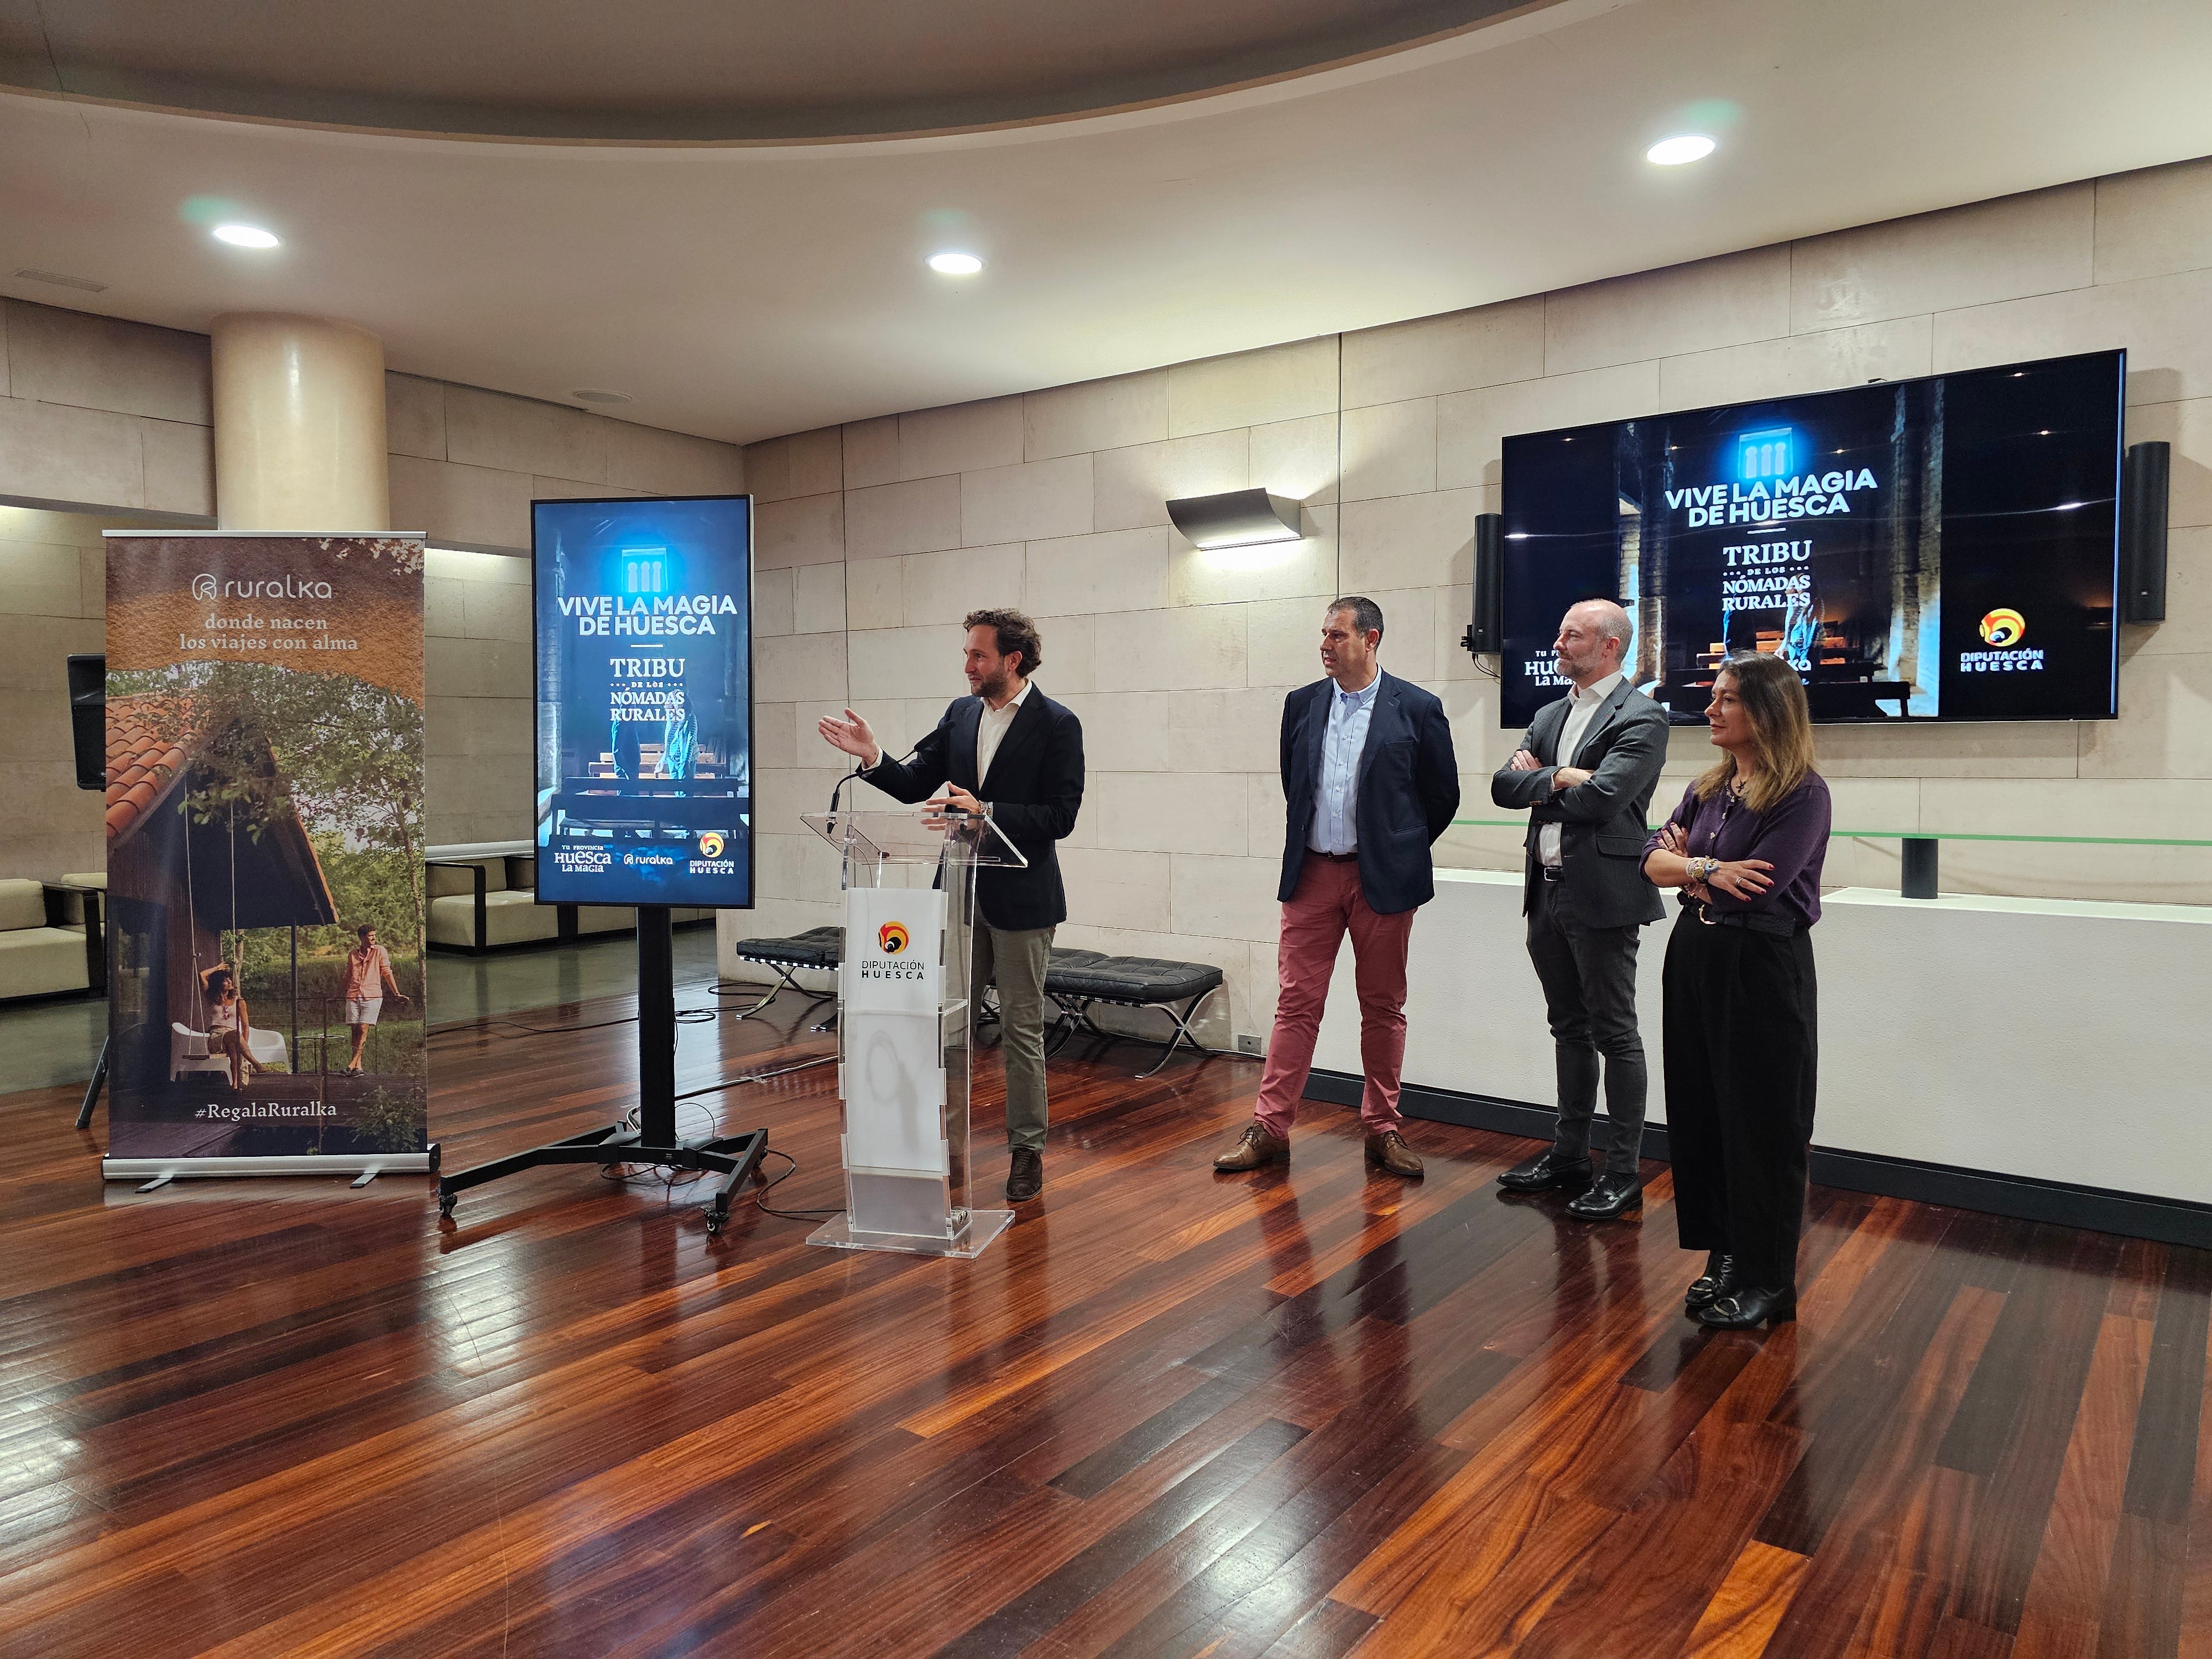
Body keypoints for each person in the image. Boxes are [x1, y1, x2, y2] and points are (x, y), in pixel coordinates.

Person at [818, 608, 1084, 1204]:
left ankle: (1026, 1152)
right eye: (967, 653)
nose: (967, 665)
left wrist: (988, 811)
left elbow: (1061, 817)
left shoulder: (1057, 724)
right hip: (960, 893)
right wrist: (872, 756)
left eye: (978, 655)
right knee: (950, 1026)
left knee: (1020, 1030)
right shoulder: (961, 714)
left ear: (1012, 660)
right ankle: (944, 1141)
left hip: (1023, 897)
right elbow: (916, 783)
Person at [1213, 597, 1459, 1178]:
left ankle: (1382, 1128)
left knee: (1382, 1006)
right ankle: (1270, 1128)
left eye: (1337, 635)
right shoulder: (1301, 705)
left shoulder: (1418, 708)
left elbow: (1441, 797)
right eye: (1322, 635)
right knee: (1296, 1003)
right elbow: (1293, 785)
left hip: (1383, 880)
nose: (1325, 645)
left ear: (1371, 638)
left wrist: (1396, 847)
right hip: (1312, 874)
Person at [1641, 651, 1831, 1330]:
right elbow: (1650, 859)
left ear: (1767, 712)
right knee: (1701, 1113)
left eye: (1727, 700)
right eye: (1714, 697)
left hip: (1760, 965)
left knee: (1764, 1124)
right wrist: (1704, 869)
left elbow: (1764, 884)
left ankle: (1767, 1279)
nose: (1711, 710)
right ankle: (1723, 1257)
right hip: (1695, 953)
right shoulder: (1709, 786)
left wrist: (1691, 868)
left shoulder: (1802, 793)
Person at [1490, 600, 1670, 1220]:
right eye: (1560, 632)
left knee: (1615, 1034)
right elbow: (1499, 787)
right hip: (1545, 889)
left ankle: (1621, 1172)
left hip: (1603, 895)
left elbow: (1604, 801)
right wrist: (1564, 775)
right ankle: (1569, 1155)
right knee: (1567, 1027)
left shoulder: (1643, 717)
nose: (1558, 643)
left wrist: (1545, 779)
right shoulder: (1548, 713)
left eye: (1572, 635)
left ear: (1611, 646)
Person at [342, 925, 408, 1076]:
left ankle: (351, 1064)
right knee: (355, 1030)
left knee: (364, 1028)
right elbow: (347, 976)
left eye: (374, 935)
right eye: (370, 936)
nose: (373, 938)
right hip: (353, 995)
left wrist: (396, 993)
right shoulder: (353, 954)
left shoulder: (380, 951)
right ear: (362, 937)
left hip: (372, 995)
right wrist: (336, 994)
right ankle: (358, 1067)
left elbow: (387, 972)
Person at [201, 965, 260, 1089]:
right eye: (225, 980)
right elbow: (202, 975)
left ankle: (235, 1084)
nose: (230, 982)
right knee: (233, 1035)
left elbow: (245, 1026)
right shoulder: (211, 998)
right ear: (218, 984)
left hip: (234, 1037)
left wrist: (243, 1045)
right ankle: (255, 1063)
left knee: (234, 1047)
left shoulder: (239, 1001)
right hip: (216, 1038)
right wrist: (217, 968)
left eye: (229, 979)